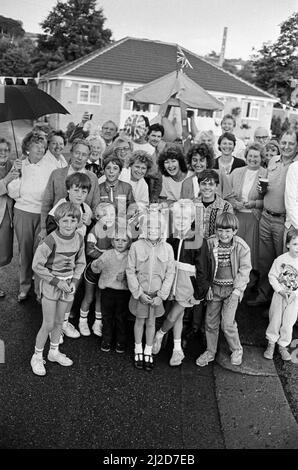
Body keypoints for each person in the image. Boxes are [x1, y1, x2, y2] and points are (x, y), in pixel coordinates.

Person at [152, 200, 211, 366]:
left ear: (192, 218)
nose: (180, 220)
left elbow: (202, 269)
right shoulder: (170, 237)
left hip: (188, 284)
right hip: (172, 279)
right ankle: (177, 349)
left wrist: (200, 292)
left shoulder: (198, 239)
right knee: (177, 315)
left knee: (174, 314)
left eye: (185, 218)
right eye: (177, 217)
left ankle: (160, 333)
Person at [30, 202, 86, 376]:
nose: (69, 225)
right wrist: (56, 282)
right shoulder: (50, 240)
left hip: (68, 286)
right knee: (47, 324)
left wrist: (74, 282)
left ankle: (53, 352)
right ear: (58, 221)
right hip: (51, 285)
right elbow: (37, 265)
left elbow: (81, 263)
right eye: (65, 221)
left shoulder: (79, 238)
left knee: (59, 323)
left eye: (73, 220)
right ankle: (37, 356)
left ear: (78, 222)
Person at [248, 130, 298, 307]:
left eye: (290, 143)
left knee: (283, 262)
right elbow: (265, 189)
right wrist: (262, 190)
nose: (286, 146)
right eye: (283, 142)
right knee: (264, 260)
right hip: (266, 217)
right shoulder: (272, 160)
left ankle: (279, 303)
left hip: (284, 221)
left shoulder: (296, 166)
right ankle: (263, 294)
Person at [196, 212, 251, 367]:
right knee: (210, 322)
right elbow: (204, 267)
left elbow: (245, 270)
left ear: (234, 231)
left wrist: (237, 291)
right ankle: (210, 351)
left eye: (228, 231)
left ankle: (237, 349)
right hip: (214, 289)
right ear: (216, 229)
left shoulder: (241, 246)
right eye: (220, 230)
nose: (223, 234)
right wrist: (207, 287)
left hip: (232, 290)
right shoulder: (210, 243)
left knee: (227, 323)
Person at [126, 208, 175, 370]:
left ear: (162, 230)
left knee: (151, 323)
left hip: (156, 296)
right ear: (144, 229)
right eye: (149, 228)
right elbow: (130, 271)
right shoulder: (136, 246)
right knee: (139, 321)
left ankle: (148, 350)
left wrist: (162, 295)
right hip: (141, 294)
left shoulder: (167, 249)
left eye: (157, 228)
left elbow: (170, 273)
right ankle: (137, 348)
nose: (153, 231)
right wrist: (138, 293)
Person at [7, 132, 49, 302]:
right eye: (36, 145)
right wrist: (16, 175)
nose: (41, 148)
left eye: (42, 145)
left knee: (40, 253)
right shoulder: (19, 165)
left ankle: (39, 290)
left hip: (43, 214)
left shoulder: (49, 166)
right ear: (26, 149)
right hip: (23, 213)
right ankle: (24, 287)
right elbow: (12, 192)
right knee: (25, 253)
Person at [40, 138, 100, 242]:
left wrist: (89, 221)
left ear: (88, 157)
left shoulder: (93, 178)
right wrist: (43, 228)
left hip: (81, 234)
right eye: (77, 153)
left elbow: (96, 206)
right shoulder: (57, 174)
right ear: (71, 153)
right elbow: (47, 203)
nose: (80, 157)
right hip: (56, 230)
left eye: (84, 154)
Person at [91, 222, 131, 353]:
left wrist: (125, 276)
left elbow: (135, 271)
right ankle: (106, 338)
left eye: (124, 240)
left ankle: (121, 340)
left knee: (121, 317)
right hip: (107, 291)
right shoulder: (107, 254)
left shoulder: (130, 256)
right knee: (107, 316)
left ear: (129, 242)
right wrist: (96, 264)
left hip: (123, 292)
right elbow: (96, 269)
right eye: (117, 240)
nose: (120, 243)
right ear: (112, 242)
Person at [79, 202, 116, 337]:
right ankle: (82, 321)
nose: (109, 217)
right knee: (89, 296)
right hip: (93, 268)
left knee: (101, 296)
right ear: (97, 217)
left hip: (106, 269)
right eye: (105, 215)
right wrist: (106, 256)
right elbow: (89, 251)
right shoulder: (94, 231)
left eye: (112, 214)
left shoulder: (116, 229)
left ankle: (97, 322)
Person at [228, 143, 266, 273]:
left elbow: (267, 201)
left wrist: (254, 203)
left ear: (261, 158)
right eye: (250, 156)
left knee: (250, 252)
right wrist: (234, 203)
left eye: (256, 156)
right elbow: (226, 194)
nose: (252, 159)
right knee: (235, 251)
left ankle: (250, 284)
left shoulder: (265, 174)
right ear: (246, 156)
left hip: (254, 219)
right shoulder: (237, 172)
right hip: (237, 217)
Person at [264, 229, 298, 362]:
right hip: (280, 296)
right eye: (295, 244)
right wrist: (280, 290)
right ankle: (271, 343)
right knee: (275, 319)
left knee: (289, 322)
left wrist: (295, 294)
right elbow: (272, 276)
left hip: (294, 299)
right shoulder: (281, 260)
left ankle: (283, 345)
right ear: (288, 244)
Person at [0, 138, 22, 297]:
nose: (3, 153)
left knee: (3, 252)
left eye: (6, 150)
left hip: (7, 214)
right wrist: (7, 179)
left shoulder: (12, 165)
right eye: (0, 150)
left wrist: (19, 172)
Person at [46, 172, 93, 238]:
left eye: (84, 192)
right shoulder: (60, 206)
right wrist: (74, 227)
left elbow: (92, 233)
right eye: (76, 190)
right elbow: (50, 229)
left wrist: (90, 223)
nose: (80, 195)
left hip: (80, 246)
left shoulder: (86, 208)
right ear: (68, 189)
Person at [195, 169, 233, 239]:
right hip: (195, 247)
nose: (207, 187)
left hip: (217, 247)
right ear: (199, 185)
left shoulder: (226, 207)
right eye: (203, 184)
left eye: (211, 184)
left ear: (217, 186)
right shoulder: (192, 205)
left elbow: (229, 233)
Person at [146, 124, 165, 202]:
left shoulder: (159, 152)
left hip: (154, 189)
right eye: (153, 135)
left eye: (158, 136)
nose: (156, 139)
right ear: (148, 136)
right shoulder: (143, 150)